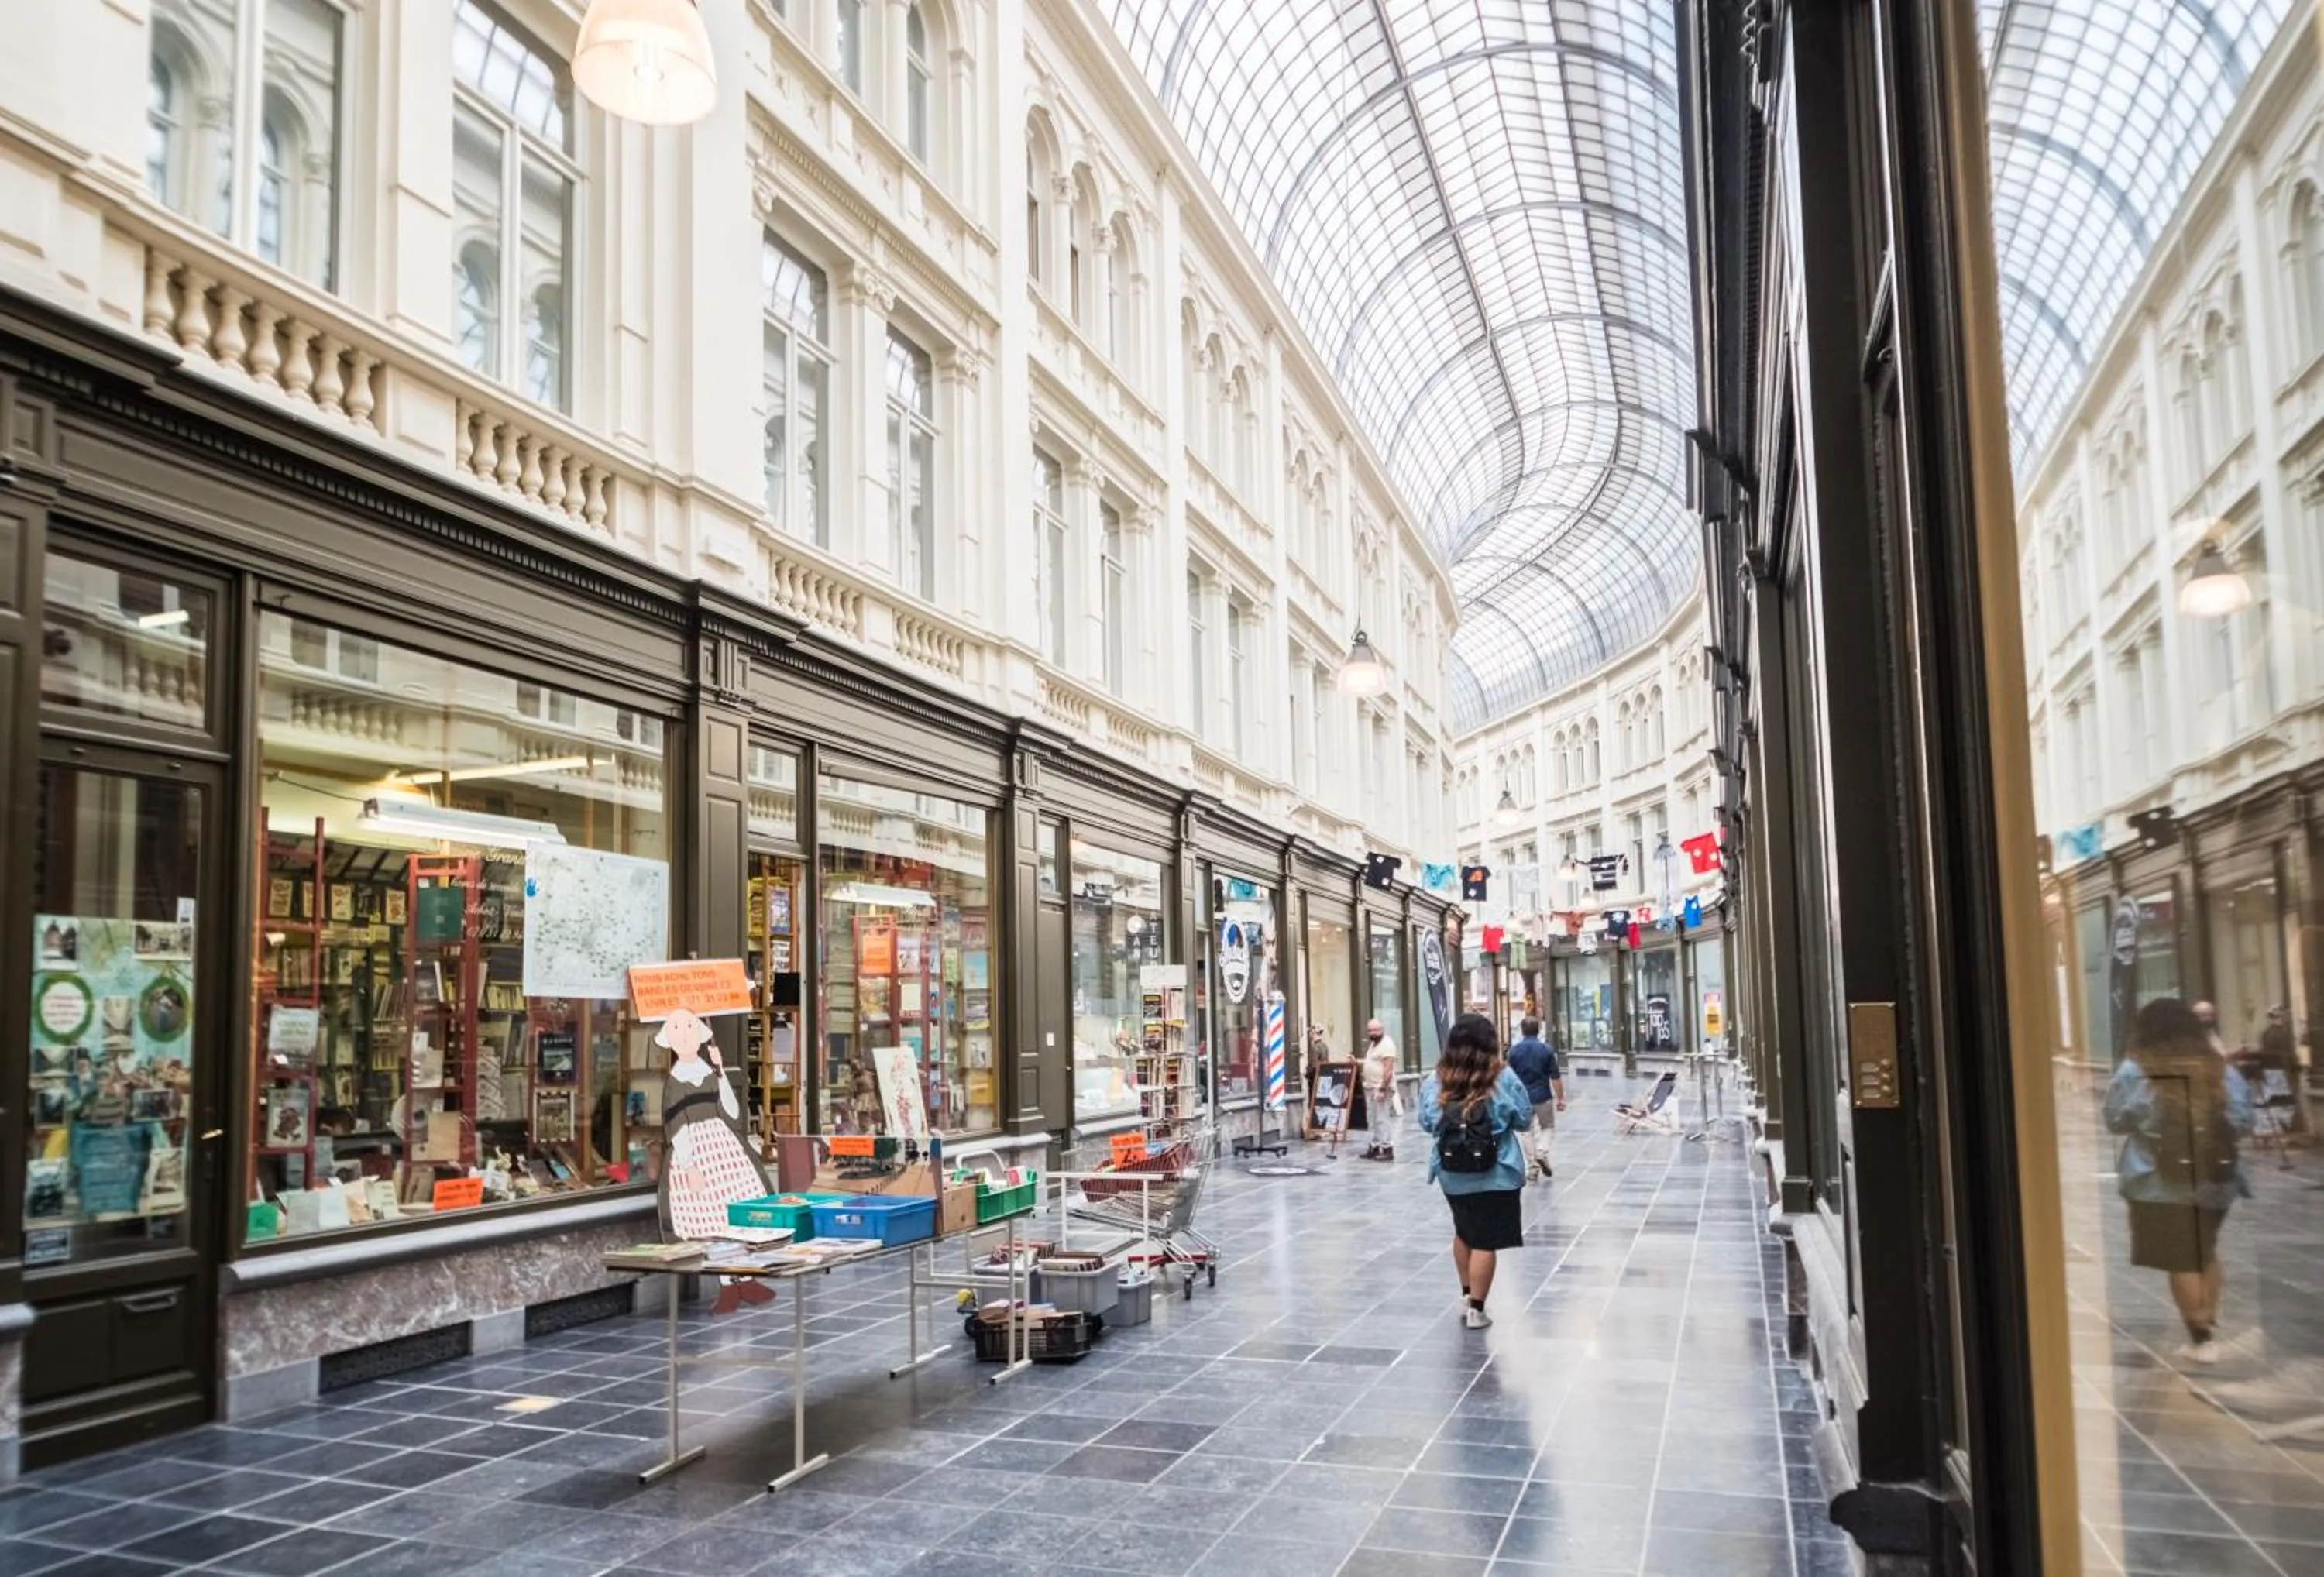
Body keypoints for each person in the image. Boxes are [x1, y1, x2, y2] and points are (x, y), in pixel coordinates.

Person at [2104, 997, 2254, 1364]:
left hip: (2158, 1178)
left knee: (2181, 1257)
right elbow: (2243, 1120)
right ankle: (2207, 1324)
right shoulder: (2219, 1067)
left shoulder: (2135, 1069)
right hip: (2217, 1175)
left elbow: (2116, 1120)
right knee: (2206, 1249)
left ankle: (2201, 1338)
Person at [658, 1008, 782, 1314]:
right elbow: (677, 1126)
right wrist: (689, 1167)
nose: (684, 1035)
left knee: (736, 1214)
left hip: (723, 1149)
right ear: (669, 1039)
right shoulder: (675, 1082)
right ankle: (728, 1283)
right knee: (711, 1221)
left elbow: (732, 1111)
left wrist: (721, 1071)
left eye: (690, 1026)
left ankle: (745, 1278)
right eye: (677, 1029)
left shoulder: (708, 1070)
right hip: (696, 1154)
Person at [1418, 1012, 1532, 1329]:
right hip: (1497, 1170)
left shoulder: (1437, 1079)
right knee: (1485, 1239)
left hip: (1452, 1171)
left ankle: (1467, 1294)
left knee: (1464, 1230)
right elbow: (1523, 1119)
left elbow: (1427, 1121)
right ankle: (1477, 1310)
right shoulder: (1502, 1077)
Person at [1504, 1015, 1565, 1180]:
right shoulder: (1546, 1050)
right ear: (1539, 1030)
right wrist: (1560, 1098)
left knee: (1526, 1131)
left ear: (1522, 1030)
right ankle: (1542, 1152)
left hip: (1522, 1098)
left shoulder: (1514, 1051)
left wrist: (1508, 1097)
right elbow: (1555, 1077)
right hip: (1543, 1096)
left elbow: (1508, 1077)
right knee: (1548, 1127)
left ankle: (1533, 1167)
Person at [1362, 1019, 1403, 1160]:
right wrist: (1357, 1062)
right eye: (1370, 1030)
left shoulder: (1387, 1044)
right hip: (1371, 1086)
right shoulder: (1374, 1044)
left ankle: (1387, 1148)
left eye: (1376, 1030)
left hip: (1380, 1087)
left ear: (1382, 1030)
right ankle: (1375, 1146)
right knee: (1373, 1119)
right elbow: (1372, 1063)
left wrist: (1382, 1089)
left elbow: (1388, 1069)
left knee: (1382, 1118)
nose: (1373, 1033)